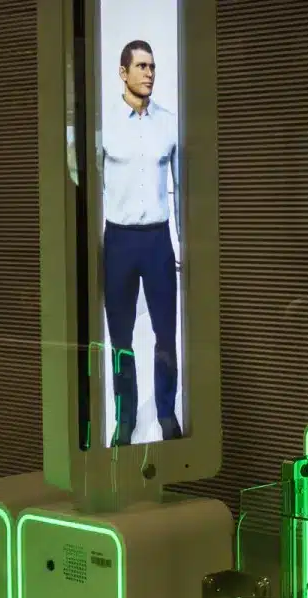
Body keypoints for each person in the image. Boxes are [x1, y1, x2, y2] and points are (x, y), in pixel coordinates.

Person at [100, 39, 182, 444]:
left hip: (157, 241)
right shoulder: (105, 126)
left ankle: (167, 414)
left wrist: (181, 244)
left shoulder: (168, 124)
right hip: (118, 240)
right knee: (121, 336)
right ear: (123, 72)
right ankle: (125, 418)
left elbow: (181, 188)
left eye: (152, 66)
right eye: (141, 66)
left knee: (166, 332)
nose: (149, 73)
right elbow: (84, 181)